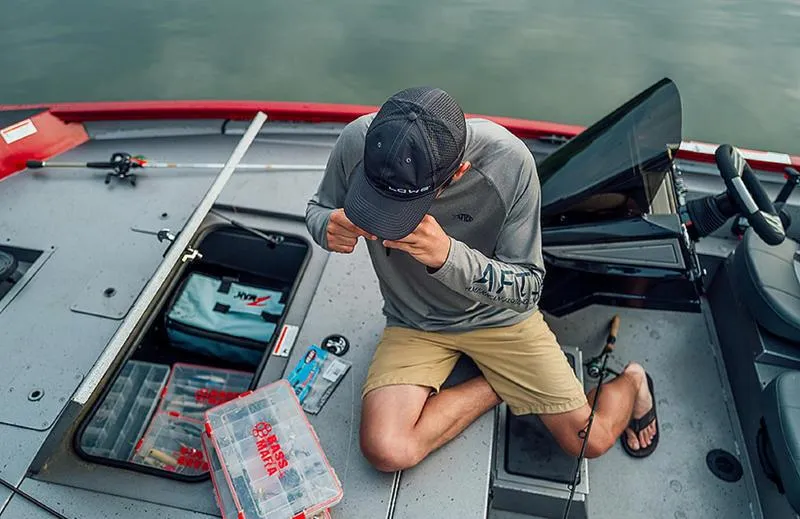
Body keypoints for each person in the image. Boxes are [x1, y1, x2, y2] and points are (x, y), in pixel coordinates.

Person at [304, 86, 659, 471]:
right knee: (385, 450)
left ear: (459, 171)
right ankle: (499, 385)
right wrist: (327, 226)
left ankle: (635, 381)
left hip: (499, 319)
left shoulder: (509, 162)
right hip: (413, 321)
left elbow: (529, 289)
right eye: (379, 200)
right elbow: (318, 208)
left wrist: (448, 256)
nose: (388, 216)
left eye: (403, 208)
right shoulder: (358, 140)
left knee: (591, 440)